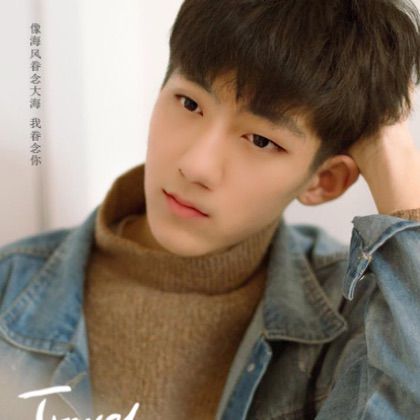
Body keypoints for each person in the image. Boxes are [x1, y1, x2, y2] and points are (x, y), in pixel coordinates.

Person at [1, 0, 420, 418]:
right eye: (189, 103)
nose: (196, 165)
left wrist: (397, 163)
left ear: (323, 180)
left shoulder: (360, 322)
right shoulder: (9, 288)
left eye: (261, 141)